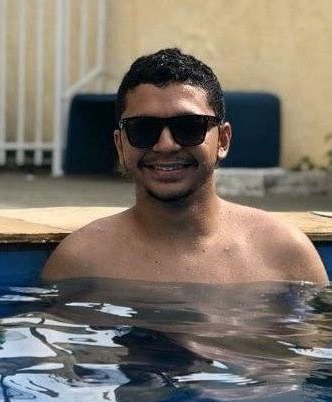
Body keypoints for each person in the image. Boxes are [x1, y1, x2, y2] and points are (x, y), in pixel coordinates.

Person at [43, 48, 328, 285]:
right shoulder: (80, 260)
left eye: (189, 127)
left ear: (223, 140)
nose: (166, 145)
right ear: (120, 144)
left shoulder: (284, 252)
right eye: (143, 129)